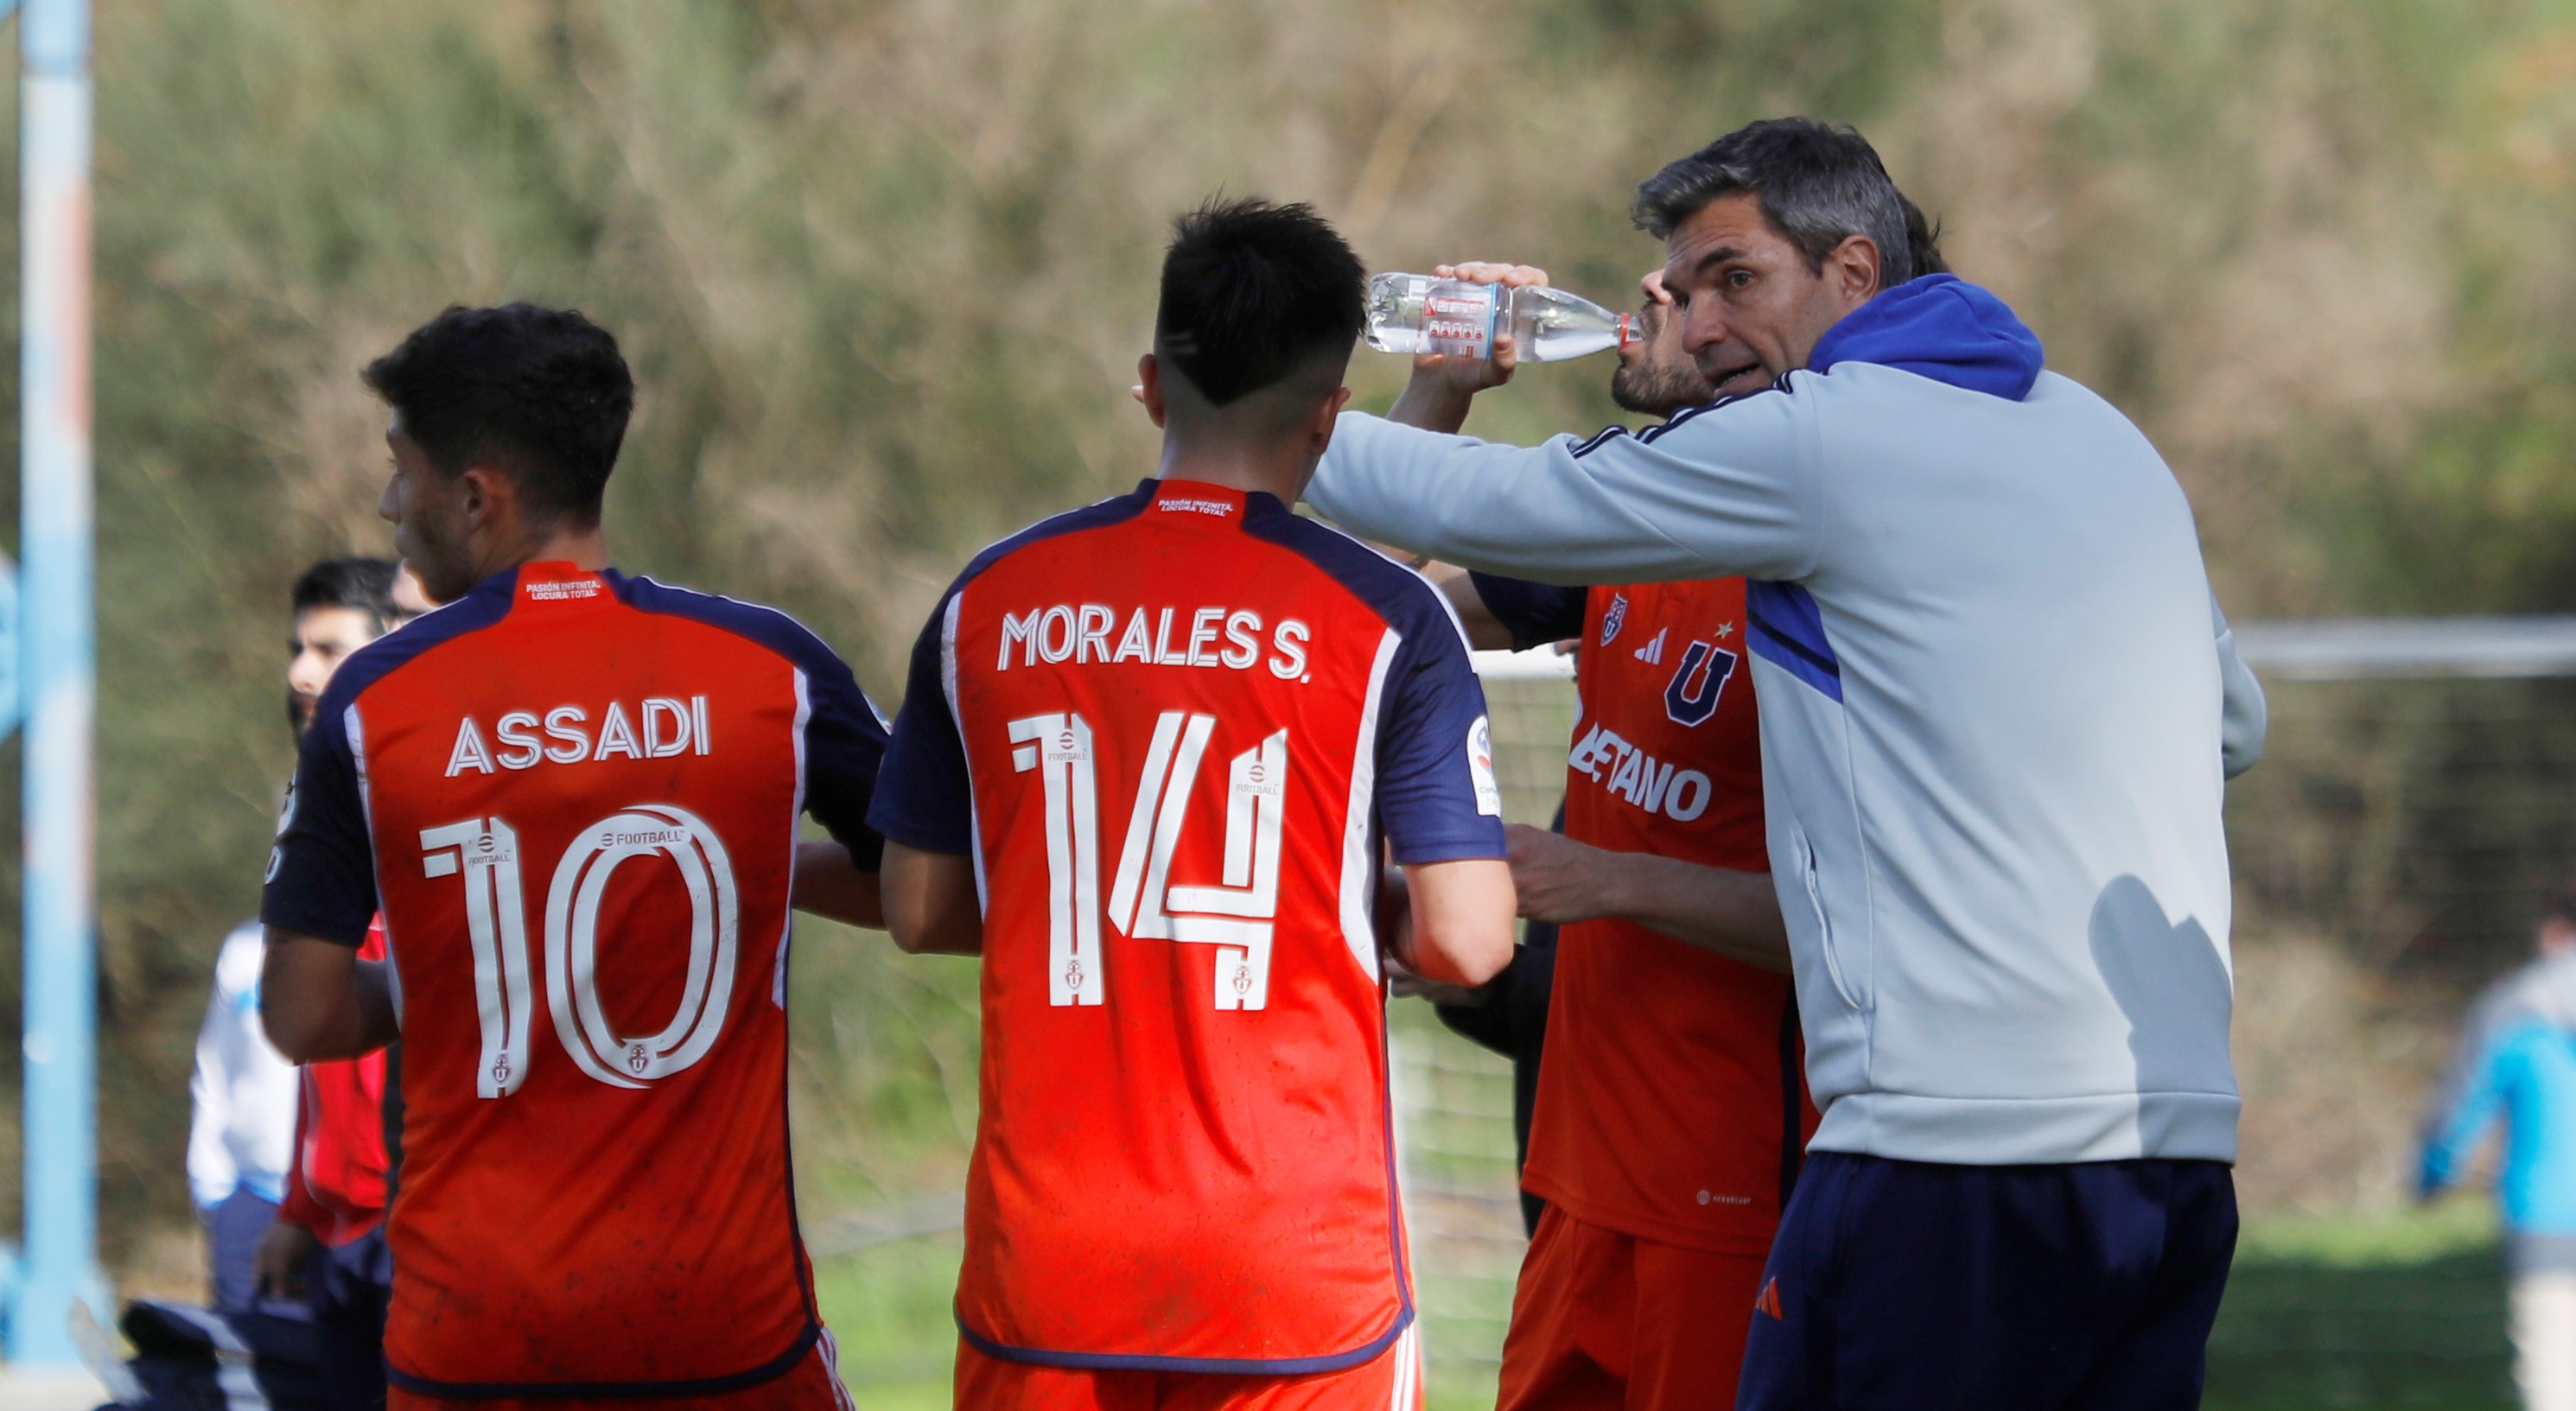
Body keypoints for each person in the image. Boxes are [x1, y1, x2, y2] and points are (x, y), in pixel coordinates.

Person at [1303, 118, 2268, 1409]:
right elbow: (2233, 724)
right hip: (2170, 1150)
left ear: (1854, 273)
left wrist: (1260, 412)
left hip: (1947, 1146)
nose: (1696, 324)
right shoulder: (2096, 434)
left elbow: (1477, 499)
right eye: (1683, 289)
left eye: (1734, 281)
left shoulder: (1822, 441)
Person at [867, 197, 1517, 1411]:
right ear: (1332, 410)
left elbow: (917, 906)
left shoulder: (991, 597)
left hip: (1047, 1263)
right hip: (1294, 1271)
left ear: (1151, 385)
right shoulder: (1392, 622)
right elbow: (1469, 941)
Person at [258, 303, 889, 1410]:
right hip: (723, 1328)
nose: (384, 504)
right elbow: (934, 890)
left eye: (400, 470)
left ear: (474, 496)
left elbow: (304, 1017)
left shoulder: (375, 698)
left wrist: (457, 973)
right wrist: (738, 872)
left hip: (476, 1332)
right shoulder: (768, 665)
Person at [1396, 262, 1813, 1410]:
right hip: (1574, 1187)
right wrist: (1438, 392)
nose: (1652, 281)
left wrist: (1602, 876)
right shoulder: (1630, 518)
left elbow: (1867, 919)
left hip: (1734, 1206)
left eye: (1708, 268)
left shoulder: (1825, 573)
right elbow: (1364, 608)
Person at [258, 557, 420, 1411]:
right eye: (297, 648)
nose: (299, 672)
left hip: (417, 1229)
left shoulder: (432, 798)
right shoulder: (311, 806)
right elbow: (313, 1042)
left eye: (326, 647)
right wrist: (297, 1204)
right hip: (339, 1235)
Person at [2420, 889, 2576, 1411]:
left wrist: (2430, 1178)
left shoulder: (2518, 1013)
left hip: (2547, 1218)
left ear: (2556, 932)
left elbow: (2462, 1110)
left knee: (2556, 1370)